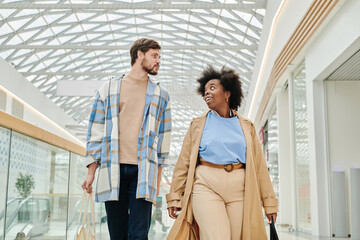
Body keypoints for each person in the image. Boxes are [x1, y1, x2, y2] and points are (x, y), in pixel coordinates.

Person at [166, 66, 278, 240]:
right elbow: (184, 163)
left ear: (227, 92)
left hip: (240, 190)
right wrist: (174, 197)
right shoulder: (197, 125)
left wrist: (269, 203)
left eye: (212, 87)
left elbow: (259, 166)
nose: (206, 93)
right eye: (204, 90)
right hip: (206, 185)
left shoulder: (247, 126)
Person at [82, 38, 172, 240]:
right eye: (154, 55)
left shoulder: (161, 94)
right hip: (112, 169)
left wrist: (156, 181)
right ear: (139, 54)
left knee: (139, 235)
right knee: (117, 233)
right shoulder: (109, 88)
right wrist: (91, 172)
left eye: (159, 57)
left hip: (144, 171)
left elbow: (164, 138)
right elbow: (96, 130)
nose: (159, 61)